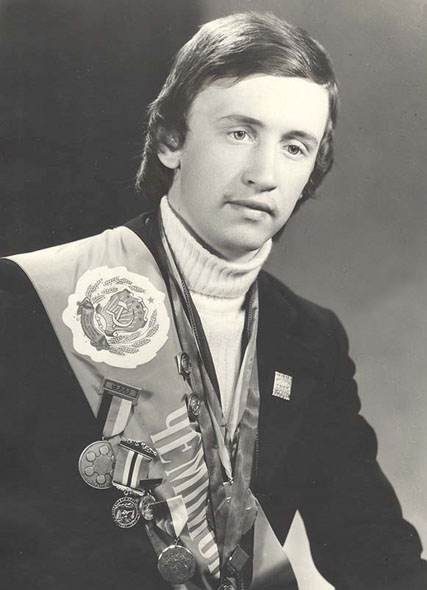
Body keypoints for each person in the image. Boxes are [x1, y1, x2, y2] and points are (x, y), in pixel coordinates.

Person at [0, 11, 425, 590]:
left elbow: (373, 547)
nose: (264, 174)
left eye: (295, 146)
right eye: (240, 133)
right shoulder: (28, 298)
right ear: (170, 141)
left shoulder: (309, 338)